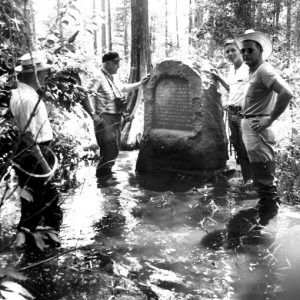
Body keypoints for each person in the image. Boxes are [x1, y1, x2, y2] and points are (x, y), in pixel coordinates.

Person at [234, 29, 294, 228]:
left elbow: (286, 92)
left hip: (258, 127)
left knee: (264, 176)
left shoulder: (264, 70)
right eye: (243, 51)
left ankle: (268, 224)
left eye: (250, 50)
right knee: (260, 175)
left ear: (260, 51)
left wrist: (270, 119)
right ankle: (266, 214)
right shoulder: (253, 71)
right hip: (250, 125)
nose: (245, 54)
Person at [10, 51, 63, 248]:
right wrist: (44, 165)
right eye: (42, 73)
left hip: (36, 151)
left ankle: (29, 235)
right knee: (49, 195)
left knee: (32, 195)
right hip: (36, 153)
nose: (45, 77)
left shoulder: (23, 94)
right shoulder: (26, 99)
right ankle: (38, 235)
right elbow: (29, 137)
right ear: (34, 75)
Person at [84, 51, 149, 181]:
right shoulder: (98, 76)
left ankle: (107, 176)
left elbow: (123, 88)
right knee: (108, 149)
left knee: (114, 149)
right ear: (107, 63)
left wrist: (140, 83)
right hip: (104, 119)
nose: (118, 66)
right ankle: (102, 178)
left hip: (115, 118)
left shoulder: (112, 77)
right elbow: (85, 94)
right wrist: (93, 114)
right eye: (116, 63)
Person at [211, 39, 251, 182]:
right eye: (227, 51)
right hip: (232, 114)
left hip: (244, 115)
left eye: (233, 50)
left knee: (246, 149)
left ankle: (251, 184)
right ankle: (246, 181)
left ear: (240, 50)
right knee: (238, 148)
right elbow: (232, 89)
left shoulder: (248, 68)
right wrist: (219, 78)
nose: (230, 53)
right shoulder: (231, 70)